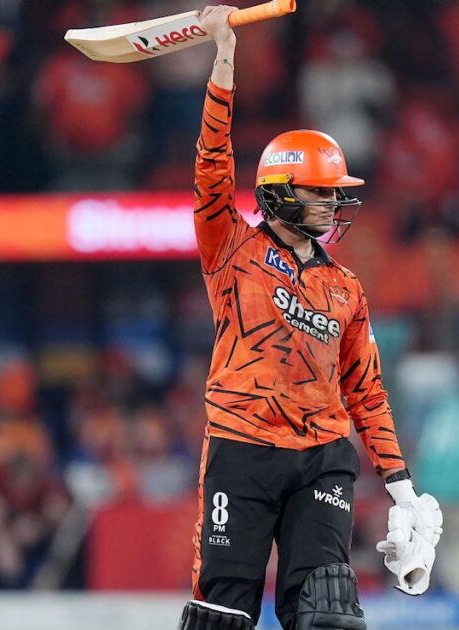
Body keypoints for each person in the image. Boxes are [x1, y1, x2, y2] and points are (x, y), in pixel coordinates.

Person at [177, 7, 443, 630]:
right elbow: (212, 165)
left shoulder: (346, 288)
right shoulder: (230, 248)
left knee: (326, 613)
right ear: (279, 193)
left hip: (322, 455)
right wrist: (224, 60)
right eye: (320, 191)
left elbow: (367, 392)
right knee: (221, 615)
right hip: (241, 447)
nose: (333, 202)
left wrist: (401, 486)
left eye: (335, 191)